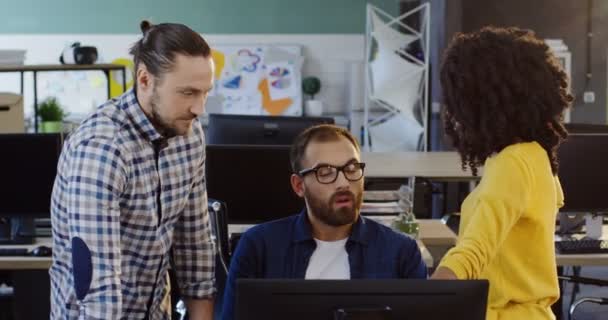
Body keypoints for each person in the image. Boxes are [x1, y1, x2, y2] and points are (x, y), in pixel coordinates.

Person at [49, 21, 216, 319]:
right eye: (187, 93)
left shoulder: (189, 133)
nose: (199, 108)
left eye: (205, 93)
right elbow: (98, 285)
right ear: (144, 80)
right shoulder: (102, 148)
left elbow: (195, 242)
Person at [431, 26, 573, 319]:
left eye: (460, 100)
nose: (455, 114)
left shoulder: (513, 162)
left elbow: (474, 249)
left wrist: (426, 302)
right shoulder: (535, 154)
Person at [221, 124, 427, 320]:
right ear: (299, 186)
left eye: (352, 168)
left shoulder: (401, 252)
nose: (344, 182)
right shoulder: (258, 247)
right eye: (325, 172)